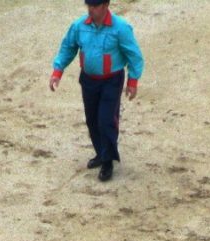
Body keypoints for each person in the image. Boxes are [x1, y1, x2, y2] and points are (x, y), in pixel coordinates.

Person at [49, 0, 144, 182]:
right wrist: (57, 71)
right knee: (92, 119)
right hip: (89, 80)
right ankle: (101, 153)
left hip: (112, 81)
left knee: (106, 119)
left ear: (106, 5)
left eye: (95, 5)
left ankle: (108, 160)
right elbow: (68, 48)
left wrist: (132, 81)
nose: (91, 9)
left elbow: (134, 56)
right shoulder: (79, 26)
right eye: (89, 5)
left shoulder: (121, 28)